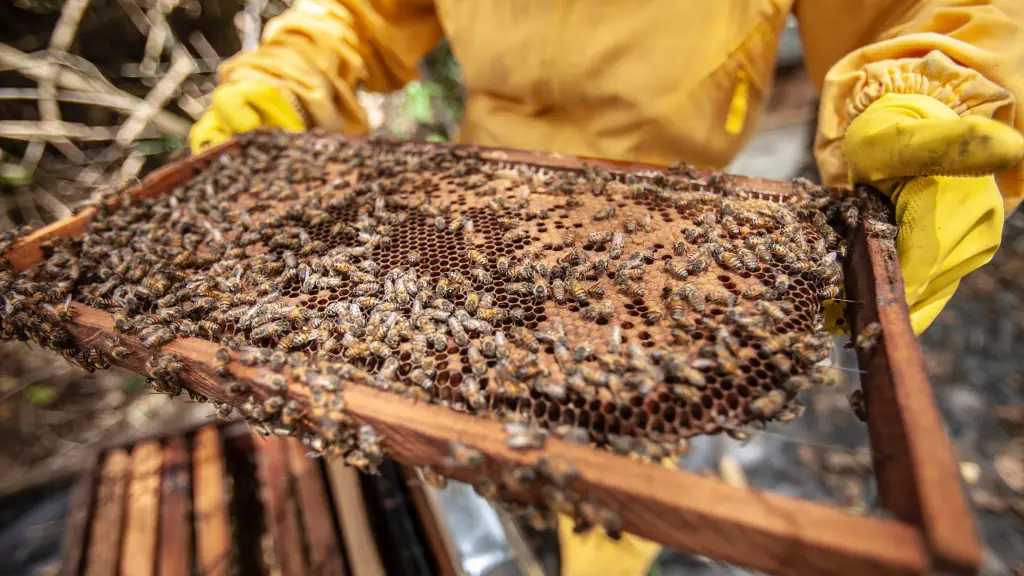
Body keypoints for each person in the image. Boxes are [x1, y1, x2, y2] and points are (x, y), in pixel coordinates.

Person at [189, 2, 1024, 574]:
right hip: (473, 207)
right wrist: (291, 74)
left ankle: (601, 545)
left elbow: (920, 8)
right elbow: (360, 11)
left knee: (627, 435)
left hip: (662, 230)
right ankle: (508, 498)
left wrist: (929, 82)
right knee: (450, 402)